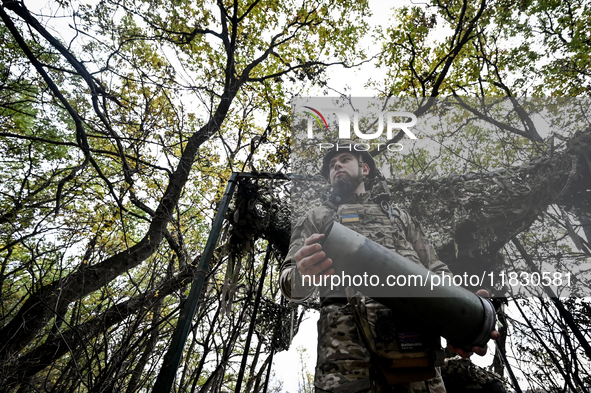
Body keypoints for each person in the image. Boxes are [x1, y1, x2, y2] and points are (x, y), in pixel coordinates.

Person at [279, 140, 498, 393]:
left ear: (365, 169)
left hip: (415, 352)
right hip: (345, 359)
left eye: (345, 159)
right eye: (331, 164)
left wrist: (461, 314)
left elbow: (436, 272)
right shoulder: (316, 218)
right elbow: (288, 283)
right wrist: (302, 275)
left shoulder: (401, 218)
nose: (336, 164)